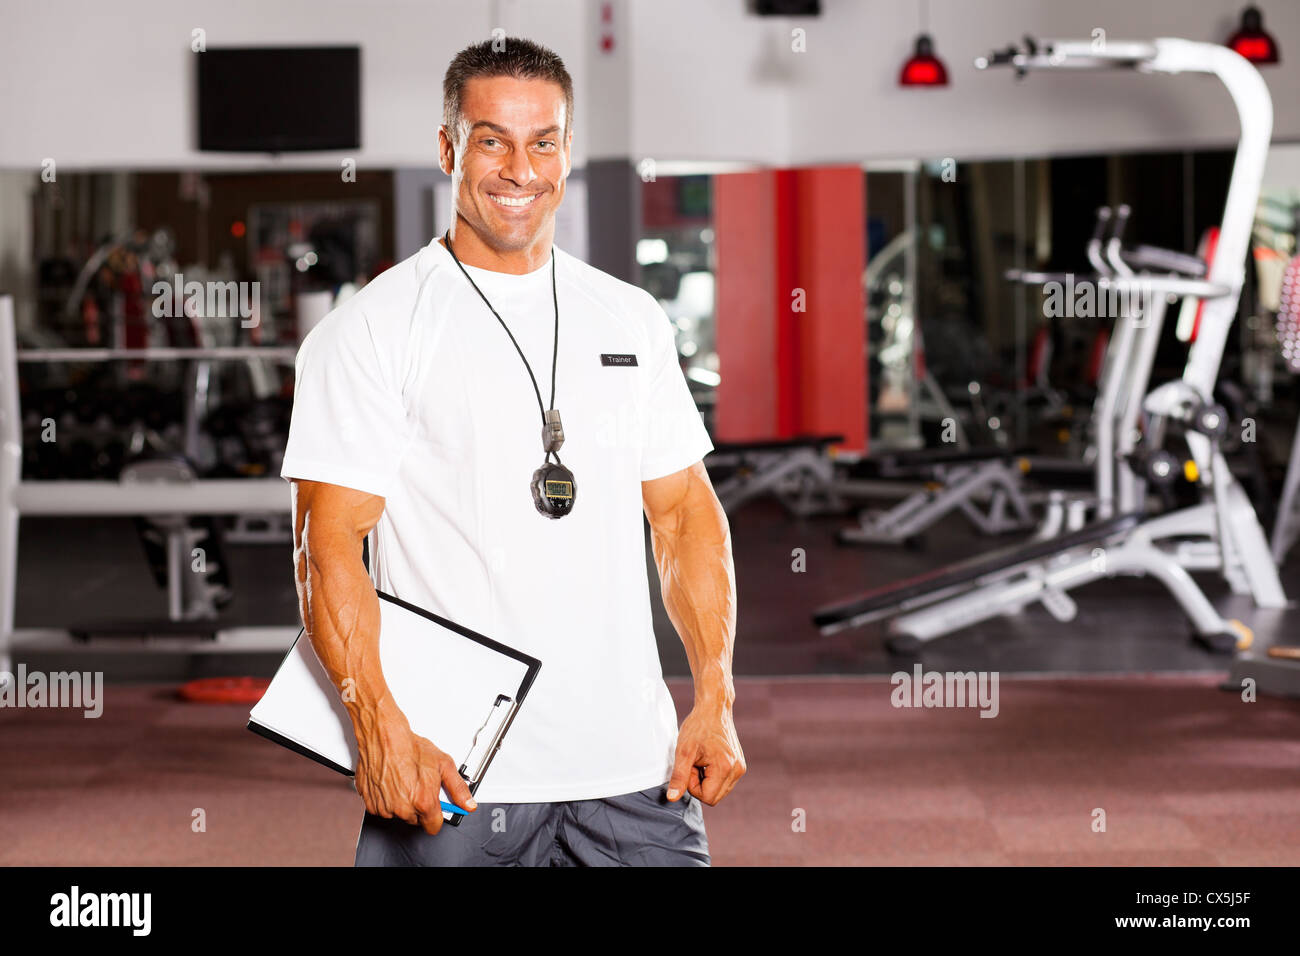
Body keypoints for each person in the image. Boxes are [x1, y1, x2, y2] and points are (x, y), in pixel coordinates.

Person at [281, 36, 744, 867]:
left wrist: (715, 692)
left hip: (635, 773)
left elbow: (683, 519)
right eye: (492, 139)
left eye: (543, 141)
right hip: (456, 776)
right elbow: (327, 549)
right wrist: (376, 725)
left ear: (568, 149)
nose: (519, 169)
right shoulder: (374, 329)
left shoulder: (629, 318)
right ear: (449, 146)